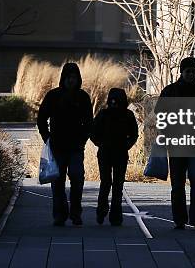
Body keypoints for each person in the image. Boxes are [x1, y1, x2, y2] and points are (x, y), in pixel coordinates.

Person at [155, 56, 195, 230]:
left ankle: (193, 219)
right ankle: (181, 219)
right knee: (178, 184)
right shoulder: (171, 91)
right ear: (182, 72)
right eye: (188, 71)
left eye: (194, 72)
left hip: (194, 144)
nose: (191, 75)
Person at [37, 62, 93, 226]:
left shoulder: (83, 97)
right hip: (57, 145)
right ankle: (59, 214)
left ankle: (75, 213)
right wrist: (46, 137)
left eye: (74, 77)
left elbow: (89, 122)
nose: (71, 81)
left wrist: (83, 138)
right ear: (63, 78)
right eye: (68, 77)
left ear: (78, 79)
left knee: (77, 178)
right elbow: (41, 118)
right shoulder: (53, 96)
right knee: (57, 182)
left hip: (75, 147)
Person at [91, 88, 139, 226]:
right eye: (112, 101)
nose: (114, 104)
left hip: (119, 152)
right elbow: (93, 132)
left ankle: (114, 214)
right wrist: (100, 144)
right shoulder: (104, 114)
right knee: (107, 183)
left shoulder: (127, 115)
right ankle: (103, 211)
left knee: (116, 185)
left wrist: (126, 145)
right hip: (107, 152)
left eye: (117, 102)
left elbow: (134, 134)